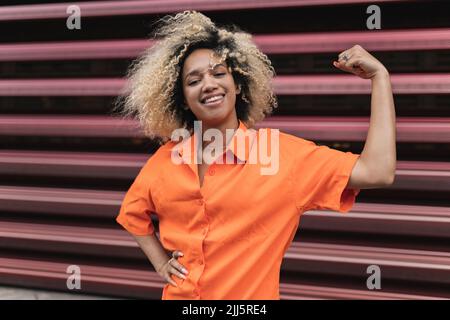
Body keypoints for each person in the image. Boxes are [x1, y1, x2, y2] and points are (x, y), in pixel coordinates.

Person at [115, 10, 396, 300]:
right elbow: (133, 214)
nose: (208, 84)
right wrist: (161, 263)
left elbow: (378, 171)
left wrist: (380, 78)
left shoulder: (283, 156)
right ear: (183, 100)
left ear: (237, 85)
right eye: (193, 80)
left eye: (219, 73)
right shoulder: (167, 159)